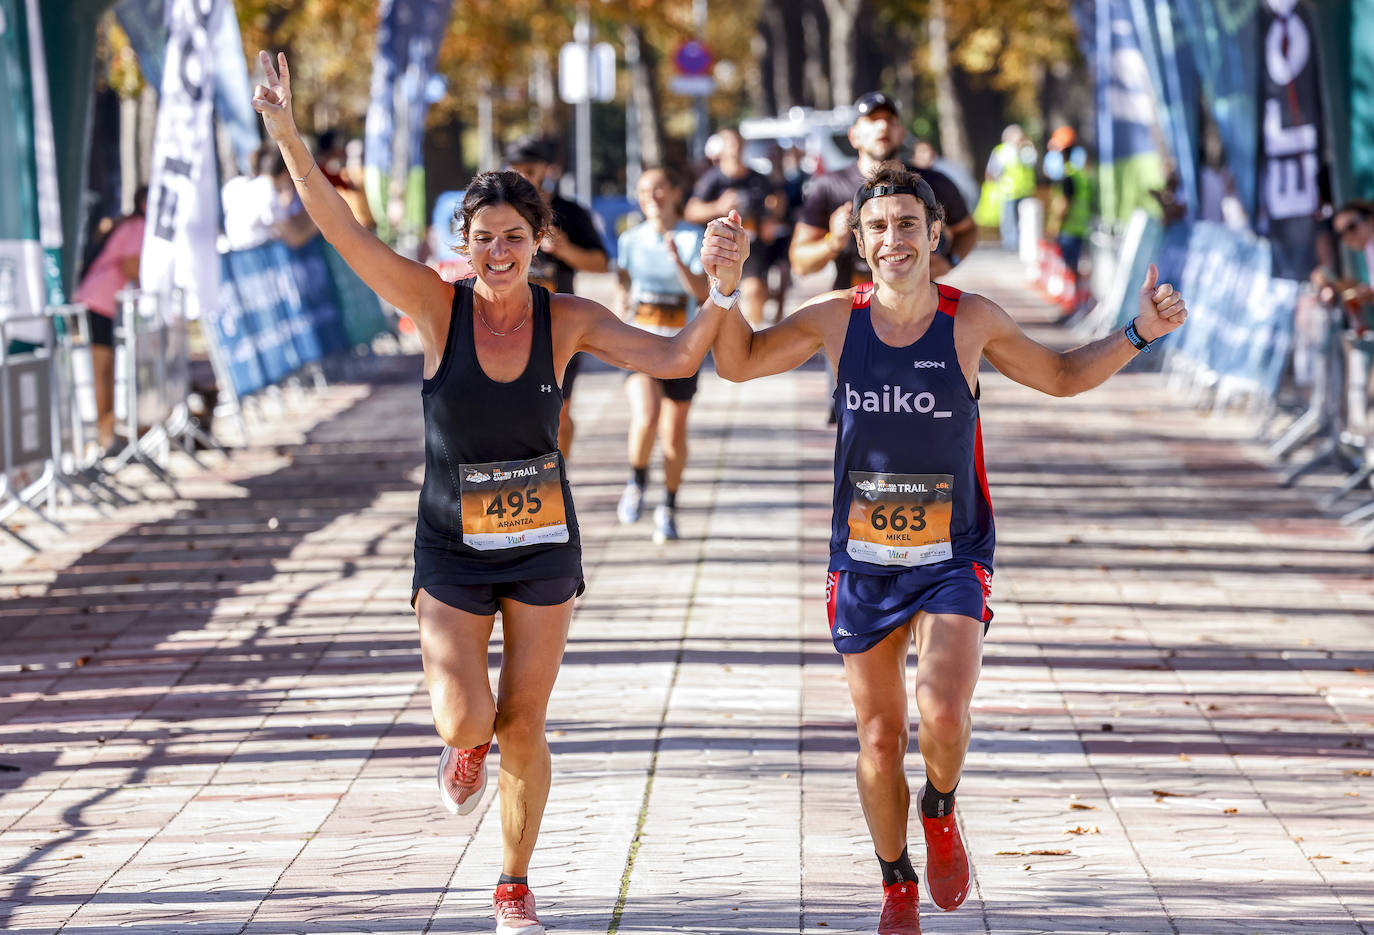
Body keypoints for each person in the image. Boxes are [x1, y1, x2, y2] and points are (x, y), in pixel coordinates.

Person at [252, 51, 745, 935]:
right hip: (449, 542)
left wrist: (719, 292)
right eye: (483, 238)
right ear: (462, 246)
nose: (499, 252)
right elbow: (342, 232)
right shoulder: (435, 308)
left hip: (542, 540)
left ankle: (512, 886)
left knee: (524, 719)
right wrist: (288, 135)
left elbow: (674, 358)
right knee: (466, 712)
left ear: (537, 240)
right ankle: (460, 748)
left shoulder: (570, 319)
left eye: (515, 236)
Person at [711, 161, 1187, 935]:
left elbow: (1062, 376)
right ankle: (896, 882)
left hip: (953, 554)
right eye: (877, 227)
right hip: (862, 560)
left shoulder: (971, 320)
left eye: (907, 224)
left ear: (935, 234)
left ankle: (940, 803)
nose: (893, 239)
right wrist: (726, 288)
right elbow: (736, 362)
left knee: (941, 710)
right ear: (859, 242)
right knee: (876, 735)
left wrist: (1141, 333)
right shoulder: (837, 318)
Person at [790, 92, 977, 292]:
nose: (882, 126)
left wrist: (950, 261)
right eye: (872, 120)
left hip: (917, 307)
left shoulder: (932, 183)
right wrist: (833, 242)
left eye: (889, 120)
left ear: (902, 133)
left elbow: (967, 231)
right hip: (852, 308)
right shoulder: (829, 186)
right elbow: (800, 263)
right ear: (854, 136)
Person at [613, 167, 710, 542]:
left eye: (658, 189)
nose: (650, 197)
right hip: (639, 344)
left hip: (681, 347)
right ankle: (636, 481)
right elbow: (623, 280)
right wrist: (620, 300)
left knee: (673, 435)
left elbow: (703, 292)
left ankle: (668, 506)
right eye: (642, 191)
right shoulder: (630, 238)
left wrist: (678, 261)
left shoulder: (691, 236)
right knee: (646, 416)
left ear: (674, 193)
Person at [504, 136, 611, 457]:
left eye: (531, 170)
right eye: (516, 170)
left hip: (559, 329)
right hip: (508, 328)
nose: (523, 176)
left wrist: (564, 248)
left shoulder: (569, 211)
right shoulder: (498, 211)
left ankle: (557, 479)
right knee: (512, 415)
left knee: (559, 412)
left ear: (547, 170)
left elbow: (602, 264)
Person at [73, 186, 147, 452]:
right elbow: (131, 265)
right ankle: (102, 434)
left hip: (103, 302)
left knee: (106, 369)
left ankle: (108, 430)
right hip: (97, 302)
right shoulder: (137, 226)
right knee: (100, 370)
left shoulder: (133, 225)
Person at [684, 127, 781, 327]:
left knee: (754, 291)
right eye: (729, 144)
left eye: (738, 143)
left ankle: (753, 335)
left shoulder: (758, 178)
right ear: (721, 149)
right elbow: (691, 211)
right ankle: (715, 337)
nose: (735, 149)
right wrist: (717, 206)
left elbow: (775, 202)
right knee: (718, 296)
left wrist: (771, 220)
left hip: (752, 248)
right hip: (720, 248)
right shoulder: (712, 179)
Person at [983, 124, 1037, 252]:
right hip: (1008, 191)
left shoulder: (1026, 150)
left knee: (1024, 220)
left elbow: (1032, 163)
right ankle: (1011, 245)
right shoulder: (1002, 151)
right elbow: (993, 171)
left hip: (1025, 191)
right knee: (1009, 220)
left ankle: (1022, 244)